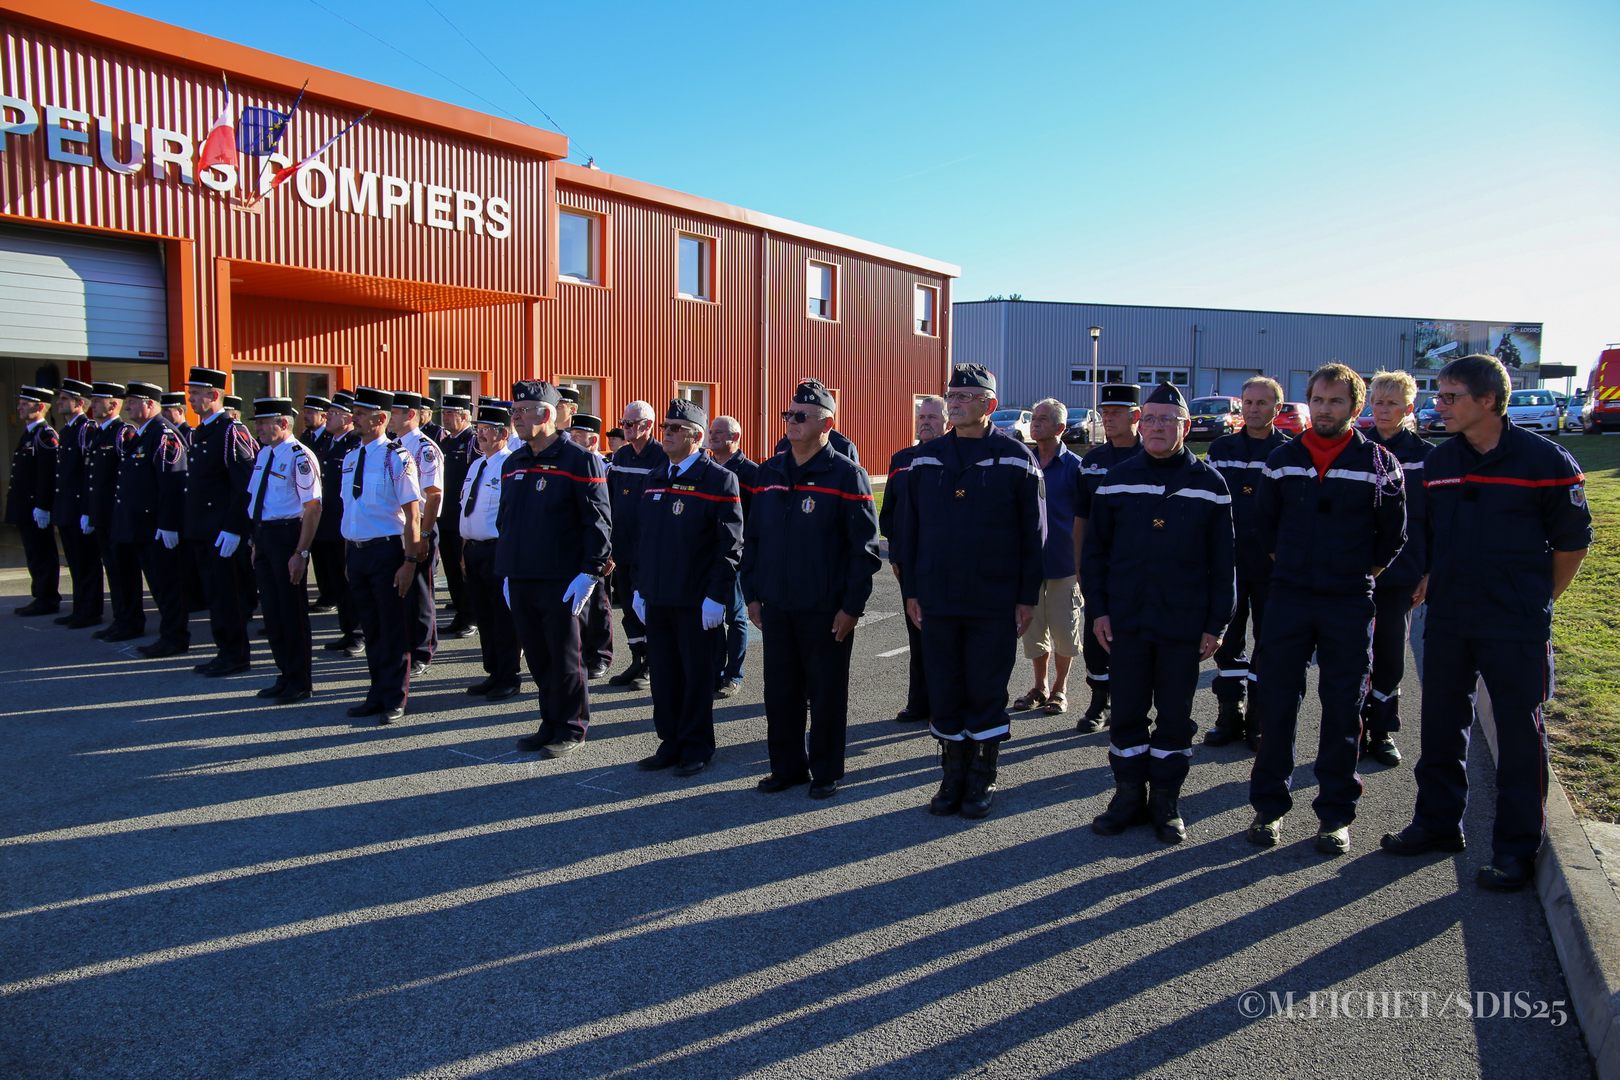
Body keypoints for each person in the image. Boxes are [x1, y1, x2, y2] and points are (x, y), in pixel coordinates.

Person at [1382, 354, 1591, 892]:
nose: (1439, 406)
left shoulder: (1545, 461)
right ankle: (1437, 823)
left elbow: (1572, 543)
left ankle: (1515, 850)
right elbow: (1428, 535)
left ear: (1489, 401)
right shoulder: (1440, 462)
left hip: (1514, 623)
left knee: (1519, 734)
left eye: (1450, 397)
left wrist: (1539, 599)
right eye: (1438, 396)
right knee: (1440, 725)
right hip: (1450, 617)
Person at [1248, 363, 1406, 856]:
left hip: (1348, 600)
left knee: (1342, 708)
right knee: (1277, 703)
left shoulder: (1380, 463)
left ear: (1355, 409)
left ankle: (1335, 815)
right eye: (1318, 399)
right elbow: (1264, 525)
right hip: (1289, 596)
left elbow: (1393, 535)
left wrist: (1356, 572)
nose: (1324, 409)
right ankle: (1269, 808)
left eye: (1336, 401)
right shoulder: (1282, 460)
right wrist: (1293, 566)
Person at [1083, 383, 1235, 843]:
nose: (1156, 427)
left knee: (1174, 716)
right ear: (1140, 423)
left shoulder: (1210, 484)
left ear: (1185, 427)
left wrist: (1216, 623)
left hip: (1182, 623)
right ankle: (1128, 796)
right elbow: (1095, 554)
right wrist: (1099, 611)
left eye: (1166, 420)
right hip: (1127, 621)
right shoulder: (1117, 478)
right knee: (1127, 713)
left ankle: (1166, 800)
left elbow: (1224, 562)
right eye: (1149, 419)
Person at [900, 364, 1044, 819]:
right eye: (952, 395)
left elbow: (1034, 534)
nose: (955, 402)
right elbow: (908, 530)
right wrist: (912, 589)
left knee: (985, 686)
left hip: (992, 598)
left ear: (990, 405)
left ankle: (982, 774)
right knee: (944, 687)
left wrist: (1026, 596)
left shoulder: (1016, 457)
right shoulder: (927, 457)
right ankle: (952, 774)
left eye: (966, 396)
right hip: (938, 595)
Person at [743, 380, 880, 798]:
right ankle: (787, 768)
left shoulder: (847, 475)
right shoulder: (769, 472)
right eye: (789, 414)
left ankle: (825, 771)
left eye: (802, 416)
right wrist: (753, 594)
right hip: (777, 604)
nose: (792, 422)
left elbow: (864, 550)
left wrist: (851, 607)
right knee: (780, 693)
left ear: (827, 424)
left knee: (826, 694)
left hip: (825, 608)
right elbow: (754, 540)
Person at [497, 382, 612, 756]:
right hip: (522, 575)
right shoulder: (514, 462)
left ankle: (571, 726)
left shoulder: (579, 460)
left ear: (546, 414)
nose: (515, 418)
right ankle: (549, 721)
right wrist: (507, 570)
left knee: (565, 657)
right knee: (537, 656)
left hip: (562, 579)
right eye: (514, 411)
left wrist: (590, 572)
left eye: (522, 411)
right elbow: (506, 520)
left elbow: (597, 521)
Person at [633, 399, 743, 777]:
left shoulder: (718, 479)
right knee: (664, 676)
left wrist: (716, 596)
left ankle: (696, 746)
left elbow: (729, 546)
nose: (666, 433)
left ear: (696, 437)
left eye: (675, 428)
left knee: (696, 677)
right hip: (659, 596)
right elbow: (645, 539)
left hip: (696, 600)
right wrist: (640, 588)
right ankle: (670, 742)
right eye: (665, 426)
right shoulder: (655, 476)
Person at [1204, 376, 1290, 750]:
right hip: (1229, 565)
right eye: (1248, 403)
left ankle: (1258, 717)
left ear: (1277, 408)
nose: (1253, 409)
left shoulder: (1289, 452)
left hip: (1273, 567)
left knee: (1269, 643)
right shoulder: (1221, 448)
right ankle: (1230, 713)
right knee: (1228, 643)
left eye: (1262, 403)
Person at [1360, 370, 1432, 767]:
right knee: (1354, 654)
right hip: (1355, 571)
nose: (1383, 410)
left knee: (1389, 653)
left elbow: (1436, 521)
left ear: (1409, 407)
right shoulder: (1356, 448)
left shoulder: (1427, 456)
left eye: (1392, 403)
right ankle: (1352, 728)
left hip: (1402, 573)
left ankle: (1382, 729)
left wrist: (1429, 572)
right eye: (1378, 402)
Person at [340, 388, 421, 725]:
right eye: (354, 412)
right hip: (357, 552)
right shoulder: (350, 457)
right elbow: (350, 510)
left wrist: (409, 561)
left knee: (392, 628)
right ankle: (376, 692)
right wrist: (349, 556)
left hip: (386, 551)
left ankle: (394, 697)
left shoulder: (396, 457)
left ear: (380, 418)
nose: (354, 418)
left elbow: (412, 514)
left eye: (360, 413)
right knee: (371, 628)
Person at [1074, 383, 1144, 734]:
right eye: (1105, 412)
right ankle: (1099, 701)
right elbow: (1081, 519)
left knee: (1138, 637)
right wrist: (1079, 566)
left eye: (1116, 413)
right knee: (1096, 637)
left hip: (1142, 567)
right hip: (1101, 565)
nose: (1108, 418)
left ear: (1136, 416)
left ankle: (1132, 704)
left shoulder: (1151, 456)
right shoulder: (1093, 462)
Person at [245, 398, 322, 704]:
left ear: (284, 423)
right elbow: (258, 501)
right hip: (264, 536)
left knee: (291, 613)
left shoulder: (299, 456)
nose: (259, 428)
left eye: (265, 423)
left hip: (287, 536)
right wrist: (255, 542)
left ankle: (300, 680)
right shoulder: (265, 453)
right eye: (258, 423)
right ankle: (285, 673)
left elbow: (312, 508)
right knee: (273, 613)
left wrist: (301, 553)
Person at [1012, 399, 1086, 718]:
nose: (1035, 422)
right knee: (1033, 630)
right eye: (1034, 417)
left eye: (1043, 419)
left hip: (1064, 564)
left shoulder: (1075, 468)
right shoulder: (1024, 462)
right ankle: (1039, 686)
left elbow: (1084, 519)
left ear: (1060, 428)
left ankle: (1060, 689)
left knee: (1064, 632)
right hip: (1030, 565)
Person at [181, 367, 257, 677]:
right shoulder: (201, 431)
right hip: (204, 528)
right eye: (190, 393)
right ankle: (224, 651)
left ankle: (236, 655)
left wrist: (235, 528)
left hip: (222, 530)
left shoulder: (230, 431)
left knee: (228, 596)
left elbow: (245, 484)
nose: (190, 398)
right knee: (214, 594)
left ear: (214, 395)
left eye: (196, 393)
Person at [879, 394, 948, 724]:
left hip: (944, 563)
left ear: (946, 422)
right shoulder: (902, 459)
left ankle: (945, 704)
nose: (926, 422)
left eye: (933, 417)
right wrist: (895, 554)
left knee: (944, 636)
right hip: (909, 563)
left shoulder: (953, 456)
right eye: (922, 417)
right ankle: (919, 702)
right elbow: (889, 512)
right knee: (917, 633)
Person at [115, 381, 190, 658]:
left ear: (149, 404)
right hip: (142, 526)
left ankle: (174, 638)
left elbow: (173, 483)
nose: (127, 407)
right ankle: (169, 635)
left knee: (167, 585)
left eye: (132, 402)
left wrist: (168, 524)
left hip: (158, 527)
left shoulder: (163, 435)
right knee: (159, 585)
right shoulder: (143, 434)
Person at [459, 404, 520, 701]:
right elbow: (466, 508)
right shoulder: (477, 465)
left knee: (502, 617)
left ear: (503, 434)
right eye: (478, 430)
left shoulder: (510, 464)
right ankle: (493, 671)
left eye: (486, 430)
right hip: (474, 549)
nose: (480, 435)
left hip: (497, 551)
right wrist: (463, 549)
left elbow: (513, 515)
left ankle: (508, 676)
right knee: (483, 615)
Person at [607, 399, 668, 690]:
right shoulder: (620, 457)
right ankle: (637, 659)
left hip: (649, 550)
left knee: (646, 607)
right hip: (622, 547)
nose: (626, 428)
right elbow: (608, 500)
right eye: (624, 423)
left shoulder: (661, 456)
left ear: (648, 425)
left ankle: (653, 665)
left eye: (631, 424)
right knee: (629, 610)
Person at [390, 391, 442, 675]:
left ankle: (422, 650)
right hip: (398, 526)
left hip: (421, 523)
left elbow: (433, 495)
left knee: (421, 591)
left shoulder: (424, 448)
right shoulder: (393, 446)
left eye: (395, 412)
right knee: (402, 589)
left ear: (411, 415)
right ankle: (405, 644)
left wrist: (423, 534)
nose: (390, 417)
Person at [85, 383, 142, 642]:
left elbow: (126, 478)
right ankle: (121, 619)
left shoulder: (122, 433)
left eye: (99, 400)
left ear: (114, 404)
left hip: (117, 516)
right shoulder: (100, 433)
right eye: (93, 400)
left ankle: (131, 620)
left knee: (124, 571)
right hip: (103, 516)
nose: (94, 404)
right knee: (113, 570)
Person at [707, 413, 758, 698]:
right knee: (711, 615)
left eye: (718, 432)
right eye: (711, 431)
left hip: (737, 556)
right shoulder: (706, 468)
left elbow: (757, 519)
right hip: (709, 556)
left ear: (735, 437)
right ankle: (715, 670)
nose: (712, 435)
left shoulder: (750, 473)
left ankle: (733, 674)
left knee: (735, 617)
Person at [316, 392, 364, 655]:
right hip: (327, 523)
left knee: (350, 582)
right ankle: (347, 630)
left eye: (333, 413)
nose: (327, 417)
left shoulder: (354, 445)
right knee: (336, 581)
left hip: (345, 522)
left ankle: (358, 633)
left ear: (347, 419)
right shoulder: (327, 442)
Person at [52, 379, 103, 628]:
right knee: (74, 561)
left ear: (79, 402)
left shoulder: (86, 429)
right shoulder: (67, 431)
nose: (58, 403)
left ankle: (90, 611)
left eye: (64, 399)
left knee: (86, 562)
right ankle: (80, 608)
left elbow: (88, 473)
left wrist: (87, 510)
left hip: (79, 508)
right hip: (67, 508)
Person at [569, 413, 615, 679]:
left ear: (593, 441)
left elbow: (609, 513)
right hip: (574, 543)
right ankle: (580, 652)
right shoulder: (571, 464)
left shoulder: (605, 467)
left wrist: (609, 551)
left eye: (578, 437)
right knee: (577, 605)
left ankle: (600, 654)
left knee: (598, 603)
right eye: (571, 435)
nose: (572, 440)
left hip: (598, 546)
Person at [8, 386, 60, 616]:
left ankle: (47, 597)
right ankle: (40, 594)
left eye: (24, 404)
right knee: (33, 552)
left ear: (39, 407)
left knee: (42, 552)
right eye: (20, 403)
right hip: (26, 506)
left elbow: (47, 474)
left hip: (35, 506)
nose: (19, 407)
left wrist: (43, 505)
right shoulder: (30, 433)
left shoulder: (45, 435)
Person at [436, 394, 478, 639]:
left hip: (461, 517)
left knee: (464, 571)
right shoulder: (444, 442)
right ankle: (460, 614)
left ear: (464, 416)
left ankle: (470, 617)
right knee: (451, 570)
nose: (446, 417)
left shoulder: (472, 442)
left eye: (450, 413)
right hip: (445, 517)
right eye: (444, 413)